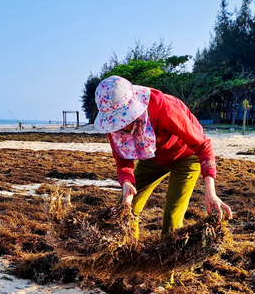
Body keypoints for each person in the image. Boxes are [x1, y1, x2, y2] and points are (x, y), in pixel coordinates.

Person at [94, 75, 232, 236]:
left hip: (186, 156)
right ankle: (129, 256)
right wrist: (126, 183)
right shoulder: (113, 126)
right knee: (124, 211)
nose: (119, 126)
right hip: (151, 157)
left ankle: (172, 259)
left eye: (122, 120)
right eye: (115, 122)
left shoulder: (164, 108)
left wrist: (211, 192)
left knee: (171, 219)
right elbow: (122, 159)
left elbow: (202, 145)